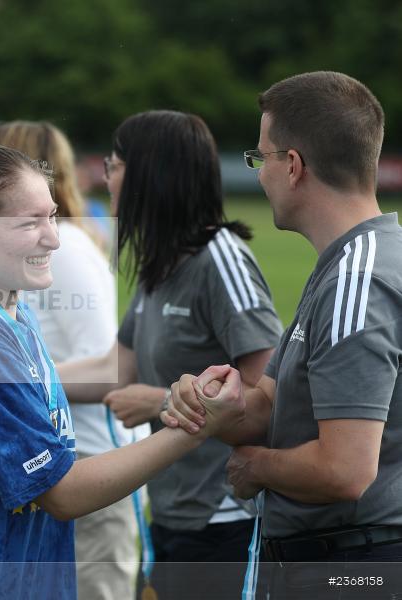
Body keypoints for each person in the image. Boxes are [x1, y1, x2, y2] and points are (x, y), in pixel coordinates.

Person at [0, 143, 249, 600]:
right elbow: (61, 492)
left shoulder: (10, 314)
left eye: (51, 216)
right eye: (28, 223)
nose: (53, 238)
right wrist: (194, 426)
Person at [166, 71, 402, 599]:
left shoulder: (357, 283)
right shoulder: (347, 264)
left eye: (260, 157)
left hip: (352, 570)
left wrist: (257, 466)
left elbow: (345, 470)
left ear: (292, 166)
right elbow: (267, 404)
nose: (259, 174)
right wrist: (208, 405)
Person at [57, 110, 283, 600]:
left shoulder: (220, 258)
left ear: (147, 174)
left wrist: (162, 402)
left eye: (114, 165)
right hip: (173, 512)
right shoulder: (160, 263)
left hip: (225, 520)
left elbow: (270, 393)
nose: (105, 178)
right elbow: (115, 370)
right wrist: (15, 377)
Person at [0, 120, 145, 600]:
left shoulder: (68, 248)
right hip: (55, 466)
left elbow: (108, 367)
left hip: (91, 466)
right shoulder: (33, 251)